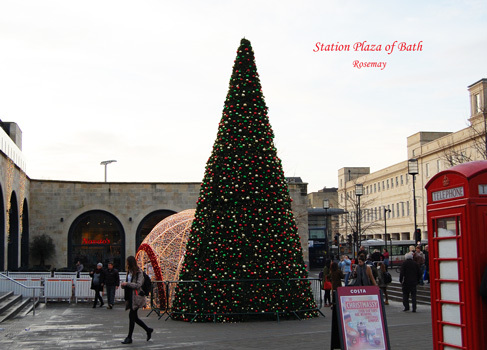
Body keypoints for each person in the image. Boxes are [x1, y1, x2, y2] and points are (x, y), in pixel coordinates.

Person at [120, 256, 153, 344]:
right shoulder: (129, 272)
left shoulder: (139, 272)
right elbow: (129, 283)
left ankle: (129, 337)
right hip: (130, 296)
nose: (126, 264)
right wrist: (124, 285)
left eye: (127, 262)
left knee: (132, 317)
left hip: (137, 297)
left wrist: (127, 284)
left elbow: (138, 285)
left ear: (130, 262)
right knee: (134, 317)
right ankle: (148, 330)